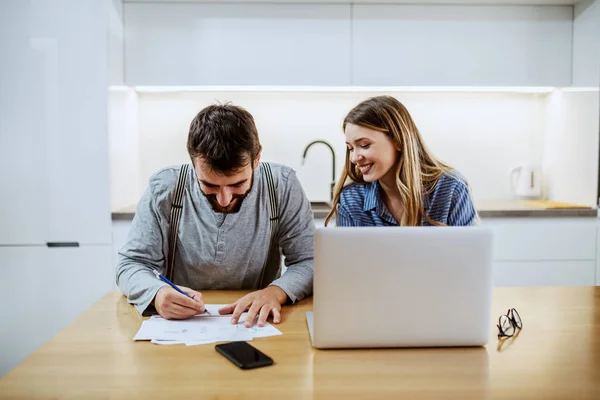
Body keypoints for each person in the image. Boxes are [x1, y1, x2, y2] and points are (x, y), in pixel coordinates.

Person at [117, 103, 315, 327]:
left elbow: (309, 261)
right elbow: (131, 265)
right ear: (193, 163)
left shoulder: (282, 185)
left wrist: (276, 292)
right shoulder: (164, 188)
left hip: (256, 323)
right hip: (181, 326)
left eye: (237, 184)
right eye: (209, 186)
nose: (224, 199)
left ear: (256, 158)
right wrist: (157, 292)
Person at [325, 95, 478, 227]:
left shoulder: (451, 189)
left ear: (398, 141)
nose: (354, 158)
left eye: (364, 145)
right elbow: (347, 261)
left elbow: (469, 258)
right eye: (351, 148)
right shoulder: (352, 198)